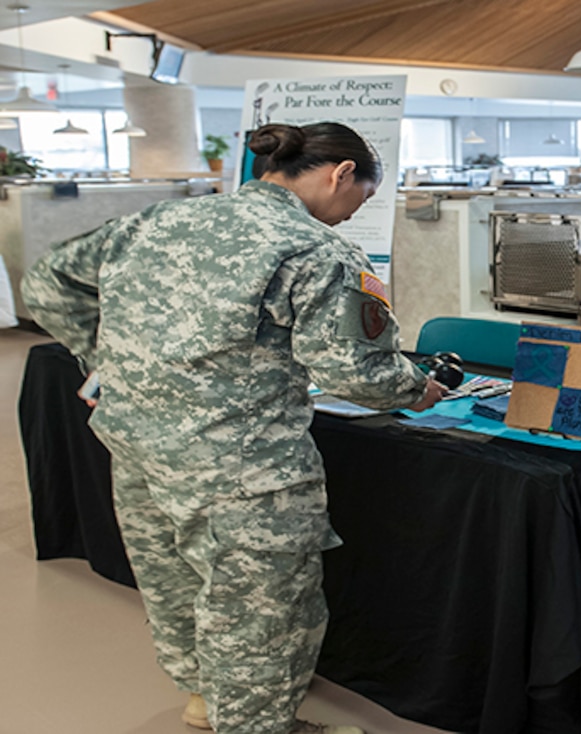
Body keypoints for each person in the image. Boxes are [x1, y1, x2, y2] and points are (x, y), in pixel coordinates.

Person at [21, 122, 445, 734]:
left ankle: (202, 700)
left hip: (138, 443)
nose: (355, 215)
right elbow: (357, 373)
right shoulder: (315, 249)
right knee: (260, 611)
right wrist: (416, 388)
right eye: (364, 198)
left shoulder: (159, 221)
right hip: (244, 468)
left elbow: (47, 283)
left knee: (174, 580)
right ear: (341, 174)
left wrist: (111, 360)